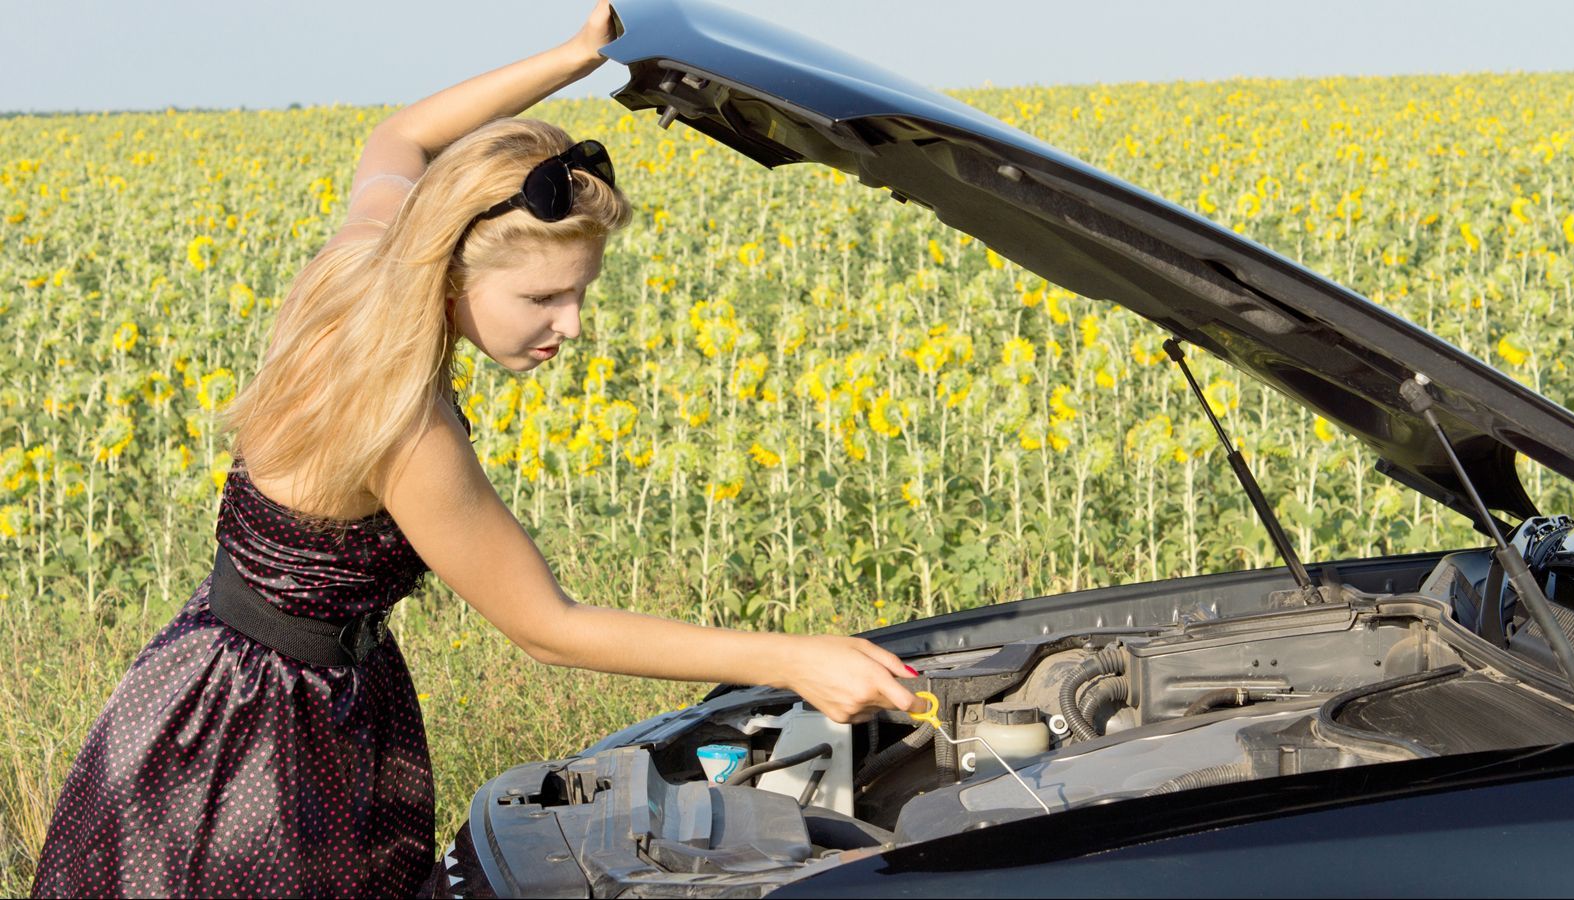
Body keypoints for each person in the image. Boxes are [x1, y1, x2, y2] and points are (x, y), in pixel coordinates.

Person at [29, 2, 923, 897]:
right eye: (543, 298)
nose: (569, 324)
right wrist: (791, 657)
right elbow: (549, 628)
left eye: (581, 292)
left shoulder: (357, 266)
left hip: (206, 677)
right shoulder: (400, 421)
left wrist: (575, 57)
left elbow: (402, 136)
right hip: (270, 737)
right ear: (452, 266)